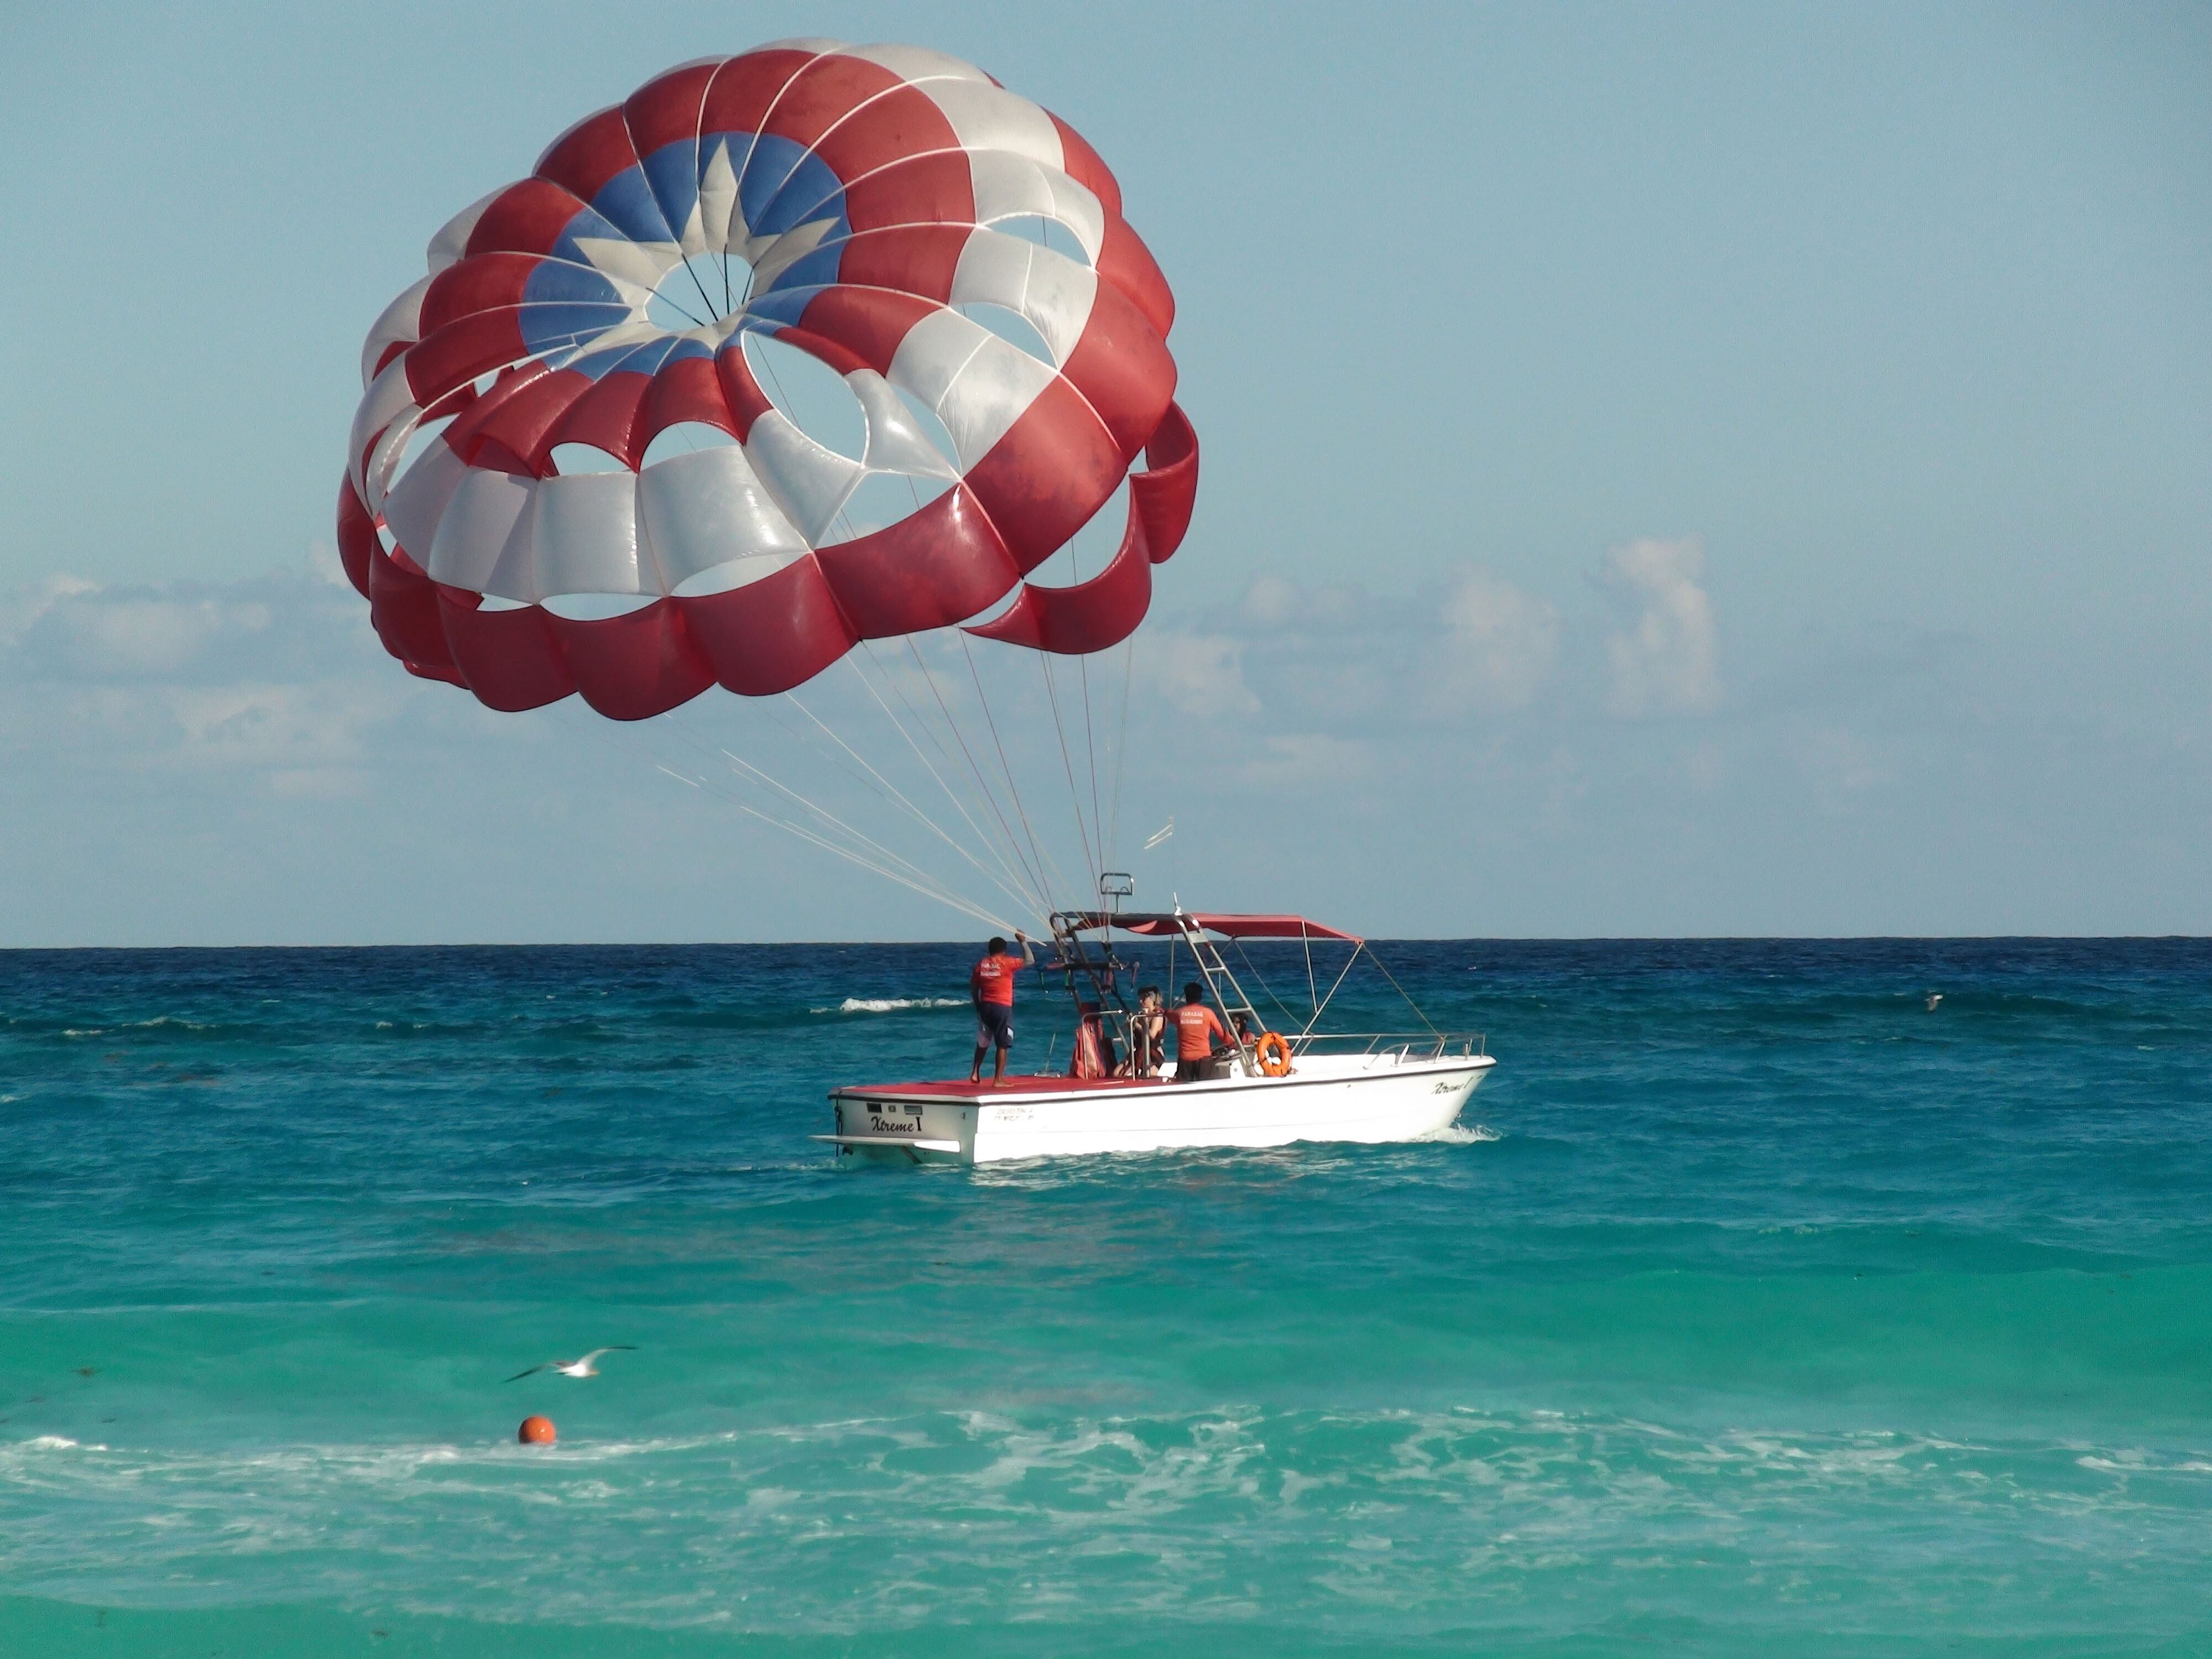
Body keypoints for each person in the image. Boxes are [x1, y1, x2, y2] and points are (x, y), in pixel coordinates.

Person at [968, 932, 1034, 1084]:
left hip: (985, 1006)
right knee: (1003, 1043)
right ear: (1004, 951)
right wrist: (1023, 942)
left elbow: (974, 988)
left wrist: (978, 1006)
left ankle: (975, 1073)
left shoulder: (981, 964)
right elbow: (1030, 960)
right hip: (1002, 1007)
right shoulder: (1007, 963)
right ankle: (998, 1079)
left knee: (983, 1041)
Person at [1172, 982, 1230, 1083]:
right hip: (1204, 1058)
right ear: (1200, 997)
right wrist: (1235, 1043)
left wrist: (1164, 1011)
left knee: (1183, 1089)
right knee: (1206, 1088)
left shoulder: (1179, 1013)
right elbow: (1222, 1035)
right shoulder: (1208, 1013)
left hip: (1185, 1059)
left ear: (1186, 997)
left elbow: (1168, 1015)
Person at [1123, 985, 1165, 1078]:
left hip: (1153, 1054)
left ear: (1152, 999)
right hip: (1139, 1051)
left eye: (1143, 999)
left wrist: (1136, 1025)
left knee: (1147, 1077)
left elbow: (1152, 1034)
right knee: (1118, 1073)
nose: (1141, 1002)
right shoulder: (1141, 1015)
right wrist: (1128, 1024)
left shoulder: (1157, 1016)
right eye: (1140, 999)